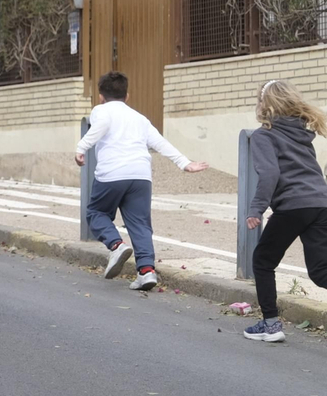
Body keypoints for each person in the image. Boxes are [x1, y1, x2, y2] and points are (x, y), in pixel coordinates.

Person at [77, 71, 210, 291]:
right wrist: (184, 163)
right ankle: (146, 271)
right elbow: (160, 142)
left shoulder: (101, 110)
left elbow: (100, 126)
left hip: (112, 174)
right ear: (127, 95)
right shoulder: (139, 118)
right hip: (140, 175)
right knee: (140, 223)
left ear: (101, 96)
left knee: (96, 213)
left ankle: (116, 246)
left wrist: (81, 148)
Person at [243, 80, 327, 342]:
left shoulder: (264, 135)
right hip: (320, 204)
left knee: (263, 261)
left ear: (265, 104)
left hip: (294, 206)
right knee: (320, 271)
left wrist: (256, 208)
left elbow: (269, 173)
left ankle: (270, 325)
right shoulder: (302, 133)